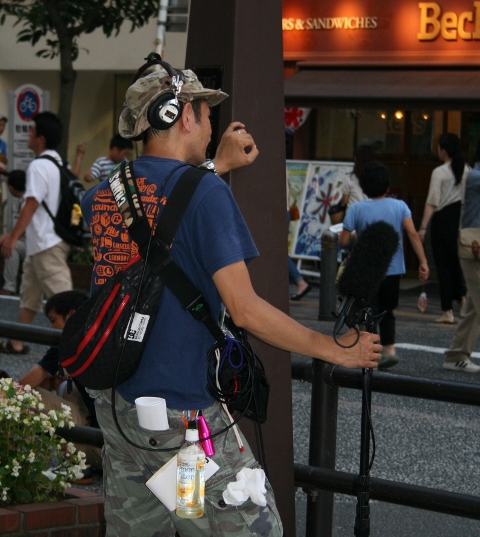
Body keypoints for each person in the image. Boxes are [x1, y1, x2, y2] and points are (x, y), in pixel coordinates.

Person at [81, 61, 381, 537]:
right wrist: (334, 348)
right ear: (184, 118)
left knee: (152, 528)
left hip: (121, 410)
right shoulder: (207, 195)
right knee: (252, 529)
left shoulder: (102, 195)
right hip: (184, 422)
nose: (211, 122)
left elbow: (156, 209)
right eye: (206, 112)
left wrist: (213, 167)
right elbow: (244, 309)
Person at [340, 160, 429, 369]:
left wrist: (356, 239)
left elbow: (343, 241)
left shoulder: (356, 209)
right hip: (393, 269)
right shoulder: (400, 206)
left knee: (369, 310)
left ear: (363, 187)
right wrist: (423, 261)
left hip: (368, 271)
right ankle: (390, 349)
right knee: (388, 310)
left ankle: (373, 352)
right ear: (388, 186)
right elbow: (413, 234)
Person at [0, 111, 73, 354]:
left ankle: (80, 348)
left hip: (46, 243)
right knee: (29, 296)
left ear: (40, 138)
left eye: (31, 130)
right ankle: (17, 341)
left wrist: (11, 237)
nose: (28, 133)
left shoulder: (39, 165)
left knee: (64, 299)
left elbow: (31, 204)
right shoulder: (59, 162)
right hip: (42, 243)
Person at [17, 289, 102, 472]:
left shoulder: (68, 339)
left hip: (101, 448)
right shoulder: (99, 333)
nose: (51, 327)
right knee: (63, 382)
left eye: (53, 320)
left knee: (26, 396)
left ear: (71, 315)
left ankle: (79, 461)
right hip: (120, 442)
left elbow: (22, 387)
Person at [419, 133, 469, 324]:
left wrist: (423, 227)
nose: (437, 151)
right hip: (459, 219)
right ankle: (462, 299)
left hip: (441, 220)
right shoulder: (466, 170)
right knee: (456, 263)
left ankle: (448, 310)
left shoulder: (439, 172)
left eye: (439, 147)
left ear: (444, 151)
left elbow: (432, 202)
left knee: (443, 266)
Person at [443, 141, 480, 373]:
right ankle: (456, 355)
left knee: (473, 307)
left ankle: (456, 355)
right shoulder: (476, 176)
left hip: (472, 243)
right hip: (473, 246)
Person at [0, 170, 26, 296]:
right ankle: (9, 287)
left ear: (11, 188)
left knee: (10, 245)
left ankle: (10, 286)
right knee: (12, 247)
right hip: (34, 244)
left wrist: (6, 239)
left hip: (38, 247)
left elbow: (21, 230)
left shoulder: (28, 202)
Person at [286, 167, 311, 300]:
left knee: (279, 253)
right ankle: (300, 282)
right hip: (286, 210)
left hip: (282, 211)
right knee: (280, 252)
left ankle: (300, 281)